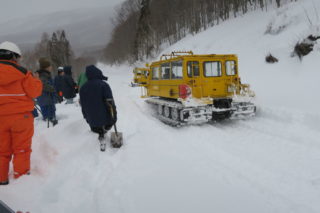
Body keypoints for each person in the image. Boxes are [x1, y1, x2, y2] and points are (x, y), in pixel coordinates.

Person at [0, 41, 42, 185]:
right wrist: (37, 80)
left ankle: (2, 180)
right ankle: (21, 181)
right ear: (13, 56)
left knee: (1, 151)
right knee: (22, 149)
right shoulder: (23, 73)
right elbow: (35, 92)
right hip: (21, 118)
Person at [80, 65, 116, 140]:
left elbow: (83, 106)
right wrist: (114, 117)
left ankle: (101, 133)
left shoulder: (83, 88)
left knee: (97, 121)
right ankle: (103, 132)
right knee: (104, 120)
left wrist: (86, 118)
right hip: (106, 122)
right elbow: (110, 103)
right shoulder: (103, 85)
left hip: (92, 123)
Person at [36, 58, 58, 126]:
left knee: (51, 114)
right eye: (50, 66)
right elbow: (43, 85)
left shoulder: (45, 74)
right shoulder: (43, 75)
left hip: (46, 99)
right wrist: (52, 88)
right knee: (49, 117)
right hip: (45, 99)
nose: (51, 67)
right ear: (46, 67)